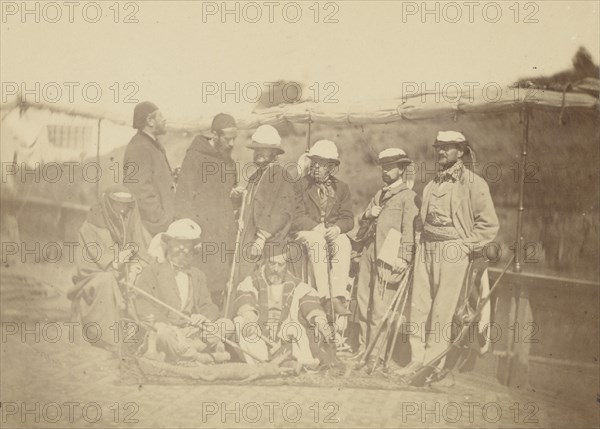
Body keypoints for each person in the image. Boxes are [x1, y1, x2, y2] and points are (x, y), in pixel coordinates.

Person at [399, 131, 499, 381]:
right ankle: (416, 359)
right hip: (426, 249)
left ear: (461, 152)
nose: (441, 151)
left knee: (443, 310)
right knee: (419, 306)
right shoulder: (432, 184)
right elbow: (421, 220)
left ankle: (433, 362)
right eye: (438, 147)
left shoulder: (474, 184)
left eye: (448, 147)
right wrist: (419, 241)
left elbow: (488, 225)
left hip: (454, 251)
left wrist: (465, 246)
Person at [135, 219, 233, 363]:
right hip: (168, 330)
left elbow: (209, 306)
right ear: (168, 244)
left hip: (192, 331)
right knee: (163, 334)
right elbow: (142, 304)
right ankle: (202, 357)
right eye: (176, 243)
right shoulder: (152, 271)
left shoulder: (198, 275)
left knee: (227, 324)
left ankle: (184, 352)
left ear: (193, 248)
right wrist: (162, 323)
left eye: (186, 244)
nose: (181, 248)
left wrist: (203, 318)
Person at [355, 148, 419, 367]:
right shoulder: (379, 194)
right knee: (363, 303)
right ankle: (363, 349)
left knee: (381, 306)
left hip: (389, 256)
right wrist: (366, 214)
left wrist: (404, 257)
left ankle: (376, 356)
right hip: (369, 251)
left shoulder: (408, 197)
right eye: (384, 167)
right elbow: (363, 219)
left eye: (391, 167)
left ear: (401, 169)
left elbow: (409, 230)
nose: (386, 171)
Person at [67, 186, 152, 351]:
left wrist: (136, 267)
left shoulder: (130, 222)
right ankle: (111, 338)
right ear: (108, 203)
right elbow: (91, 264)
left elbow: (142, 249)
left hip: (124, 272)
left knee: (145, 277)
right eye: (117, 204)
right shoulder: (91, 225)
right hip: (94, 276)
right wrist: (115, 262)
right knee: (108, 281)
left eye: (126, 205)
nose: (122, 209)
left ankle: (140, 329)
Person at [233, 244, 339, 369]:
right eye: (272, 263)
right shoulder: (252, 280)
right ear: (264, 262)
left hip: (283, 334)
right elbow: (246, 297)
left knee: (296, 327)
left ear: (286, 264)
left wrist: (320, 320)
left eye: (280, 264)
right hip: (260, 332)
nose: (276, 269)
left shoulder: (296, 284)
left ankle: (297, 361)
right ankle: (262, 363)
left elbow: (309, 301)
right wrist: (249, 315)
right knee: (240, 322)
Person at [175, 113, 239, 308]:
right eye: (228, 139)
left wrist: (236, 196)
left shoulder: (229, 162)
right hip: (202, 238)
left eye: (235, 138)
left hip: (223, 236)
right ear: (214, 135)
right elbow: (183, 200)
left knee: (221, 290)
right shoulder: (194, 158)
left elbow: (229, 195)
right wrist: (194, 236)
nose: (232, 143)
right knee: (201, 289)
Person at [291, 140, 354, 316]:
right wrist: (314, 227)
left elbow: (348, 219)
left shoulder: (341, 188)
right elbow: (296, 216)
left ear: (332, 166)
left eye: (322, 164)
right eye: (314, 162)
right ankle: (324, 298)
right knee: (317, 241)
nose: (316, 167)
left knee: (343, 241)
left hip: (328, 233)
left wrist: (337, 229)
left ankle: (337, 297)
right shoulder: (300, 185)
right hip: (306, 233)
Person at [233, 125, 295, 289]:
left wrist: (261, 239)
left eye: (264, 149)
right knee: (243, 285)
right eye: (256, 149)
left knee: (261, 287)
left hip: (269, 244)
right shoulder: (255, 177)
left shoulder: (281, 176)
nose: (258, 153)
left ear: (274, 152)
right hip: (249, 242)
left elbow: (282, 211)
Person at [123, 101, 175, 235]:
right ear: (150, 121)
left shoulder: (150, 144)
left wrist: (171, 176)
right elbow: (139, 190)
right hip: (150, 228)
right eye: (160, 116)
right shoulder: (140, 146)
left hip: (156, 226)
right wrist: (161, 219)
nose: (164, 119)